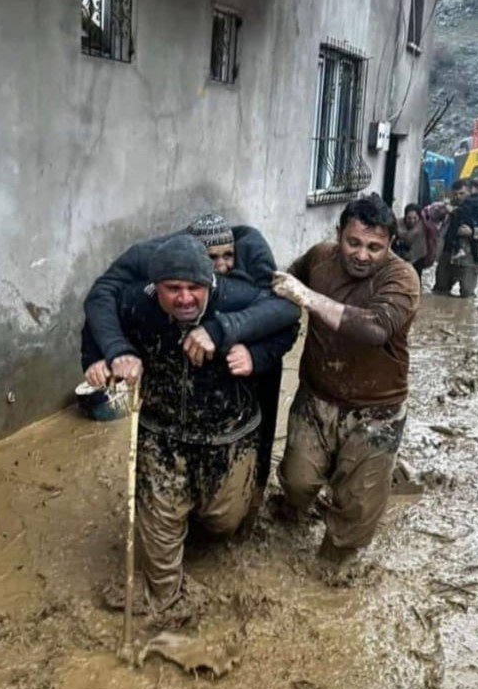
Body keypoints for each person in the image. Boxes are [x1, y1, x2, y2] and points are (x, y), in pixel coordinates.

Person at [82, 235, 298, 615]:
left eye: (194, 288)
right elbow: (96, 321)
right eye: (173, 289)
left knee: (223, 521)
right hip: (161, 437)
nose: (184, 299)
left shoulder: (236, 297)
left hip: (228, 437)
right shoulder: (135, 302)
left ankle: (197, 519)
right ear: (155, 287)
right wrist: (105, 356)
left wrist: (251, 351)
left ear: (210, 283)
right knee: (160, 531)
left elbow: (288, 317)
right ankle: (165, 603)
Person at [82, 211, 298, 508]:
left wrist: (231, 336)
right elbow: (102, 296)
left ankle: (253, 497)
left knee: (254, 442)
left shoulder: (250, 259)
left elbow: (283, 312)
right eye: (211, 259)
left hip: (249, 355)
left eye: (227, 257)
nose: (220, 267)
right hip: (178, 407)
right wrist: (112, 352)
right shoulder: (151, 260)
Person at [271, 194, 420, 568]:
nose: (362, 255)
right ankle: (291, 517)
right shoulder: (319, 258)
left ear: (390, 245)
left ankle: (333, 568)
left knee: (355, 511)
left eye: (375, 247)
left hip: (377, 412)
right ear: (338, 234)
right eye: (353, 242)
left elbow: (375, 329)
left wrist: (309, 298)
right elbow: (282, 283)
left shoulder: (401, 278)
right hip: (316, 397)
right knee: (297, 482)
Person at [432, 179, 478, 298]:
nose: (458, 197)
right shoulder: (448, 206)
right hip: (447, 254)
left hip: (468, 257)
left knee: (467, 294)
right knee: (440, 291)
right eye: (455, 194)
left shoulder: (477, 207)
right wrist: (444, 210)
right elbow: (433, 216)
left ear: (468, 192)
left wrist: (473, 232)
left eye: (462, 193)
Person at [395, 203, 429, 283]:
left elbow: (410, 240)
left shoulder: (422, 227)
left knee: (415, 279)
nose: (412, 221)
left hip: (418, 256)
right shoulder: (397, 224)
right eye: (409, 218)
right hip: (402, 254)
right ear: (405, 217)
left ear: (419, 217)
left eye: (415, 218)